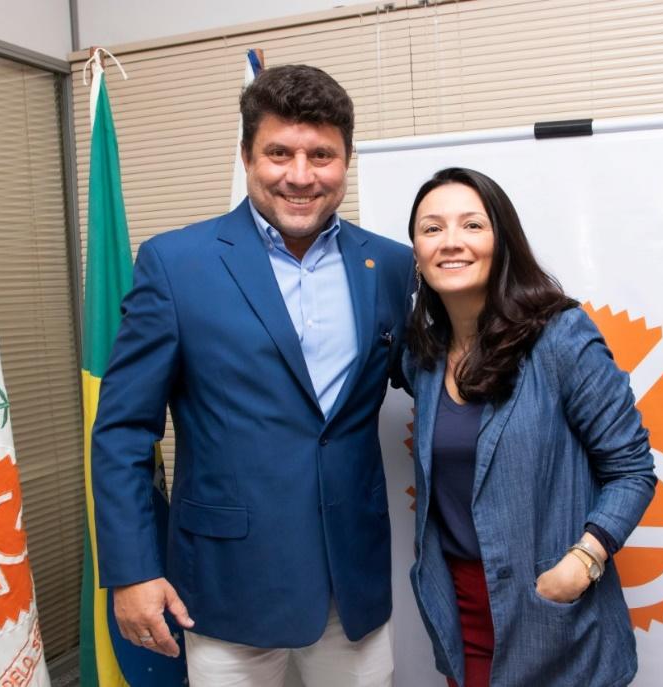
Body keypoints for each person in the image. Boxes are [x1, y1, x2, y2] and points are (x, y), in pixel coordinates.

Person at [90, 64, 413, 687]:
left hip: (352, 582)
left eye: (321, 155)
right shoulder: (175, 264)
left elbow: (438, 381)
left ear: (346, 160)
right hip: (226, 581)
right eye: (279, 153)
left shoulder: (391, 265)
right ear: (246, 156)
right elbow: (124, 430)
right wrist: (131, 571)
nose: (301, 175)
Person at [402, 168, 657, 687]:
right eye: (432, 228)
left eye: (472, 225)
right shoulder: (423, 357)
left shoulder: (561, 336)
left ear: (503, 241)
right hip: (460, 609)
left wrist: (581, 564)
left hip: (550, 610)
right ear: (417, 254)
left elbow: (632, 471)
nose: (451, 241)